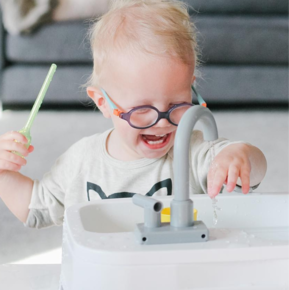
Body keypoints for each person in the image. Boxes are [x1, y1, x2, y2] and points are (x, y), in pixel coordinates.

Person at [0, 0, 267, 229]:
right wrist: (3, 173)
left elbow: (255, 171)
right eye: (142, 109)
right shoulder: (81, 160)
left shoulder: (193, 150)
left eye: (177, 104)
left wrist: (240, 155)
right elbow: (35, 210)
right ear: (103, 102)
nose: (162, 121)